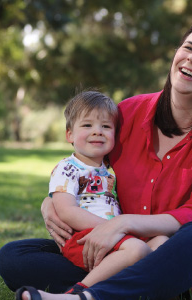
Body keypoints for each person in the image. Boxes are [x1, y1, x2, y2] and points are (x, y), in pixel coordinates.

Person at [0, 15, 192, 300]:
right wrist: (50, 202)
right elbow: (87, 167)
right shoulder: (128, 114)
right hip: (123, 250)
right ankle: (144, 290)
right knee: (15, 256)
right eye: (188, 47)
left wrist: (123, 224)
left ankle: (86, 296)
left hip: (188, 262)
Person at [44, 90, 169, 295]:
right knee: (137, 250)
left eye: (106, 126)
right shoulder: (67, 168)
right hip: (82, 238)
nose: (97, 131)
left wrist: (118, 230)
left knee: (161, 242)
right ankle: (78, 293)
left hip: (115, 236)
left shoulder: (109, 170)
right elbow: (66, 211)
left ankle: (156, 290)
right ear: (69, 134)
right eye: (87, 125)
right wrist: (112, 228)